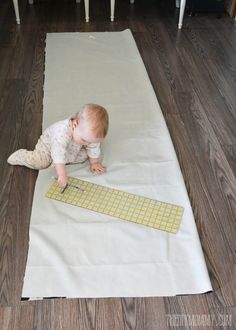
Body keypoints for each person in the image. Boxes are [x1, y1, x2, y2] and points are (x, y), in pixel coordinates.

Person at [7, 103, 109, 187]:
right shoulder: (61, 133)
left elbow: (93, 146)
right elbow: (58, 152)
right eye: (84, 140)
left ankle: (58, 162)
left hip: (71, 146)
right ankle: (22, 156)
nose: (87, 144)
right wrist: (62, 174)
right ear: (75, 124)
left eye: (90, 141)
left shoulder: (85, 134)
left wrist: (94, 162)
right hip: (49, 146)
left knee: (84, 156)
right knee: (40, 162)